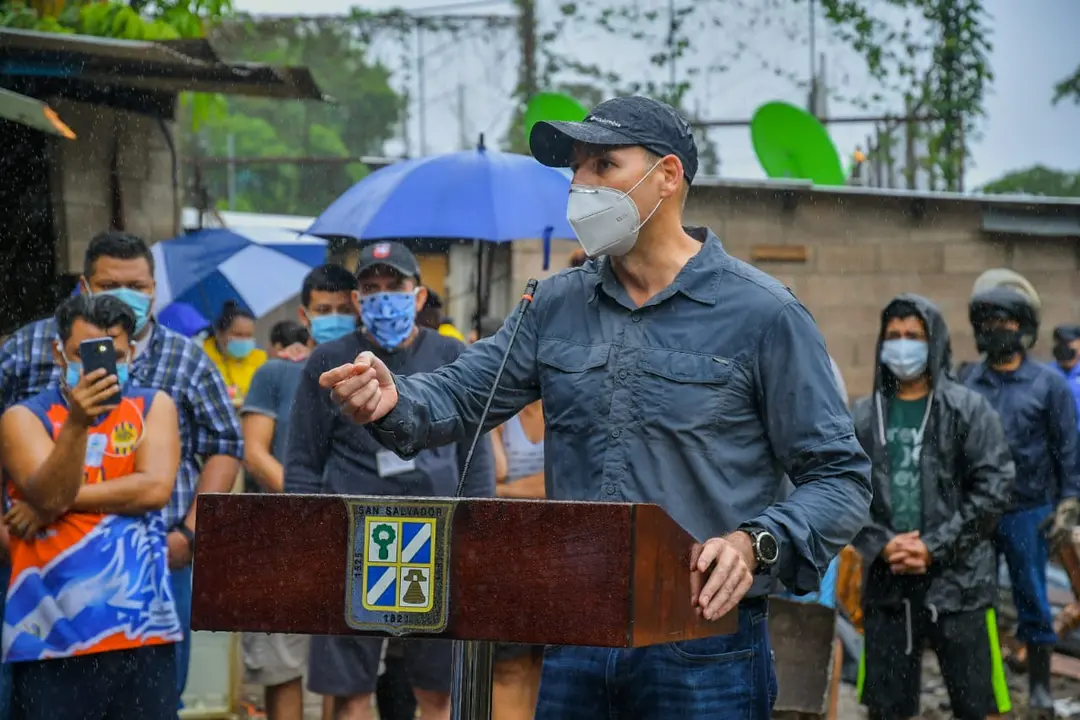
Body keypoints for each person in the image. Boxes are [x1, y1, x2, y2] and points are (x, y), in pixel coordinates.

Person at [319, 96, 872, 719]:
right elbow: (461, 393)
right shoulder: (552, 306)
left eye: (603, 165)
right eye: (576, 171)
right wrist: (395, 398)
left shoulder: (765, 315)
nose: (581, 186)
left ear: (667, 176)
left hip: (703, 638)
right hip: (577, 631)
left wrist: (756, 543)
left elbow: (841, 477)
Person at [0, 230, 244, 704]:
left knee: (153, 695)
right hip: (37, 568)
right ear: (85, 286)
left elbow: (215, 451)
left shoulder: (180, 365)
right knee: (37, 700)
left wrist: (190, 537)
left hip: (150, 564)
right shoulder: (28, 349)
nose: (127, 297)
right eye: (111, 284)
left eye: (139, 286)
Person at [285, 243, 495, 720]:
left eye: (394, 287)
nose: (383, 298)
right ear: (357, 301)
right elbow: (301, 462)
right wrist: (307, 541)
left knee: (437, 690)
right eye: (371, 289)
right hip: (351, 543)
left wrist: (479, 530)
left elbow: (475, 454)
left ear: (418, 296)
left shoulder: (451, 353)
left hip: (436, 542)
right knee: (348, 691)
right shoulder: (330, 363)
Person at [0, 294, 183, 718]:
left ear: (132, 352)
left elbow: (154, 489)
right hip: (47, 636)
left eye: (115, 355)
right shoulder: (23, 418)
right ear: (57, 352)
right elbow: (50, 492)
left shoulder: (153, 406)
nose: (102, 367)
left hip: (143, 632)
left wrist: (47, 507)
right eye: (87, 355)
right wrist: (78, 425)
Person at [852, 294, 1015, 720]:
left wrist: (934, 547)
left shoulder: (968, 410)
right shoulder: (864, 417)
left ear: (935, 342)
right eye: (893, 336)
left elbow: (994, 487)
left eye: (913, 336)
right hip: (889, 587)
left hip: (960, 585)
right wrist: (882, 544)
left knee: (977, 704)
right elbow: (842, 490)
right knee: (887, 708)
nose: (902, 345)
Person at [240, 264, 358, 720]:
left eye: (343, 309)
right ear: (305, 316)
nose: (333, 317)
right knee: (281, 666)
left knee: (344, 668)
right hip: (282, 536)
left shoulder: (367, 371)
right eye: (323, 309)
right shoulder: (273, 375)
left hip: (351, 540)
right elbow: (255, 452)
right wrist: (308, 503)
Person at [963, 279, 1080, 715]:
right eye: (989, 320)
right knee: (976, 599)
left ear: (1024, 327)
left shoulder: (1048, 385)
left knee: (1032, 597)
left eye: (1006, 321)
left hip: (1029, 510)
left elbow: (1067, 448)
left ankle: (1040, 688)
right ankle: (983, 683)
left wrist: (1068, 502)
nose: (997, 328)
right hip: (976, 511)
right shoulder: (967, 381)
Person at [203, 300, 268, 406]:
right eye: (238, 334)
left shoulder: (260, 359)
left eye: (248, 335)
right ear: (219, 334)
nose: (244, 340)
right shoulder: (204, 361)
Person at [1051, 324, 1080, 424]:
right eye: (1060, 342)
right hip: (1056, 433)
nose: (1065, 347)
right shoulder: (1047, 373)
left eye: (1069, 342)